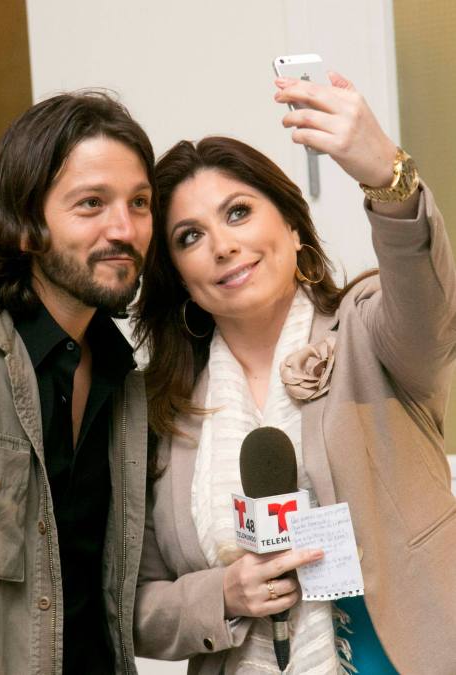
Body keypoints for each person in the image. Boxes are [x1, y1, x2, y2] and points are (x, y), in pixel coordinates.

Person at [133, 72, 456, 674]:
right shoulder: (160, 407)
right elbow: (134, 605)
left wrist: (386, 176)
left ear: (290, 222)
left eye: (238, 212)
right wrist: (222, 595)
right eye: (190, 236)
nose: (222, 246)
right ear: (177, 274)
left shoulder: (370, 333)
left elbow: (431, 307)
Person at [0, 91, 155, 675]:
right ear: (24, 226)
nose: (124, 228)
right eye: (92, 203)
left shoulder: (127, 385)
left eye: (139, 202)